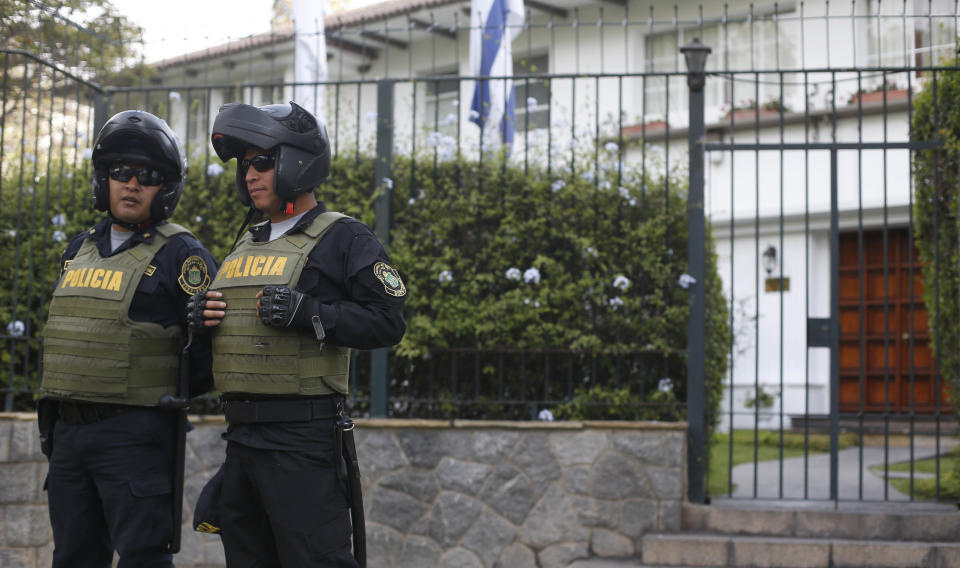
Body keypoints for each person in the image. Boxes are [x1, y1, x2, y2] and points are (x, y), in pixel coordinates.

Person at [188, 100, 406, 567]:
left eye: (262, 162)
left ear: (298, 161)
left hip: (302, 441)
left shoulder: (344, 237)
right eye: (245, 166)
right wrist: (202, 324)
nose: (250, 175)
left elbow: (389, 321)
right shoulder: (246, 242)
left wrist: (310, 312)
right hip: (241, 440)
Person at [37, 110, 217, 568]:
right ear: (104, 180)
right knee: (73, 557)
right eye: (121, 172)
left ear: (166, 187)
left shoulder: (183, 255)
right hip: (69, 436)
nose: (132, 184)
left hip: (135, 439)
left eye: (148, 175)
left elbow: (207, 352)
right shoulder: (78, 250)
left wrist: (156, 405)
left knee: (142, 559)